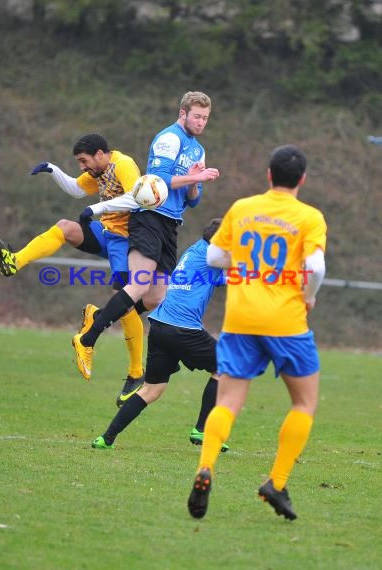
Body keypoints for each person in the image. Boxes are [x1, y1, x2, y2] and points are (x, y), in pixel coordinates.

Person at [187, 145, 327, 521]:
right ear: (302, 180)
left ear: (268, 175)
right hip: (286, 322)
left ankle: (206, 468)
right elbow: (314, 268)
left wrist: (247, 263)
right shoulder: (309, 217)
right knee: (304, 403)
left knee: (227, 402)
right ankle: (276, 483)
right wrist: (308, 298)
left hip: (241, 319)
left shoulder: (243, 208)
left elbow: (215, 257)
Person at [72, 91, 220, 381]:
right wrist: (195, 178)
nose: (201, 122)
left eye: (205, 118)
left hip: (170, 224)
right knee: (139, 286)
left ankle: (97, 316)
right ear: (183, 114)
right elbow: (156, 181)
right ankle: (87, 339)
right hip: (149, 217)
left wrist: (194, 181)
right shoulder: (169, 138)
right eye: (197, 116)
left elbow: (193, 200)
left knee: (155, 297)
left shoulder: (197, 150)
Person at [0, 133, 145, 405]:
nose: (83, 167)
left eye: (84, 161)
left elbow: (137, 198)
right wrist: (52, 169)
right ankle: (14, 261)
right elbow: (75, 188)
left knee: (125, 299)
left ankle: (136, 373)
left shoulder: (123, 164)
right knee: (64, 227)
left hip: (127, 240)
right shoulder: (98, 171)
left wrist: (95, 208)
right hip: (107, 232)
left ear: (100, 154)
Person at [88, 218, 229, 452]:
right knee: (225, 367)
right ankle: (202, 430)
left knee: (151, 390)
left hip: (159, 328)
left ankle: (106, 438)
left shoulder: (196, 251)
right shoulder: (212, 257)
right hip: (183, 330)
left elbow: (223, 279)